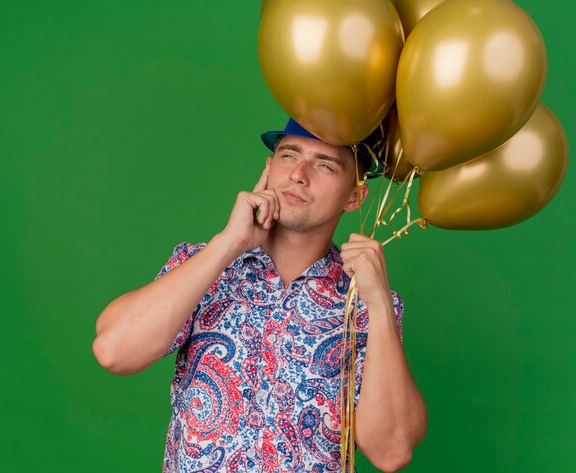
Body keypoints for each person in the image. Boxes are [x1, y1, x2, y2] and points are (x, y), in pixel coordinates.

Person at [93, 119, 427, 472]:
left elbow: (391, 452)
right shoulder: (203, 265)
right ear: (268, 169)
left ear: (354, 197)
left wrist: (378, 306)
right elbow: (113, 351)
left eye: (325, 164)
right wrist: (229, 244)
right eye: (288, 155)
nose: (299, 174)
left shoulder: (368, 304)